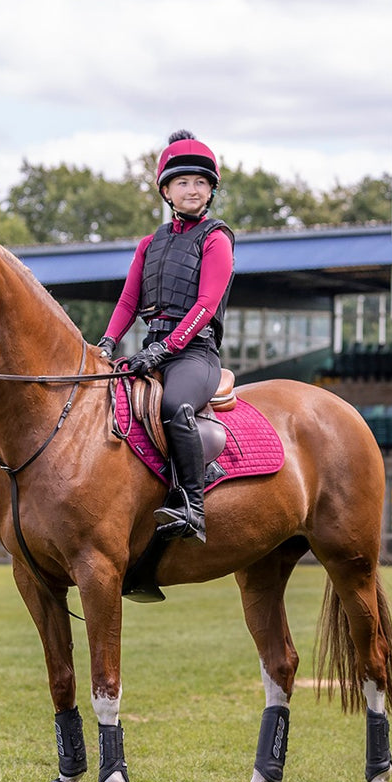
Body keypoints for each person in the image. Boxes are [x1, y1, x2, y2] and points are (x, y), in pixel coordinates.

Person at [98, 130, 235, 543]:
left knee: (175, 405)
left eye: (200, 183)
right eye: (182, 182)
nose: (192, 190)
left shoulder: (216, 239)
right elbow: (127, 301)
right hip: (151, 350)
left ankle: (192, 506)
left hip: (194, 354)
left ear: (210, 191)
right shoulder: (148, 244)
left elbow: (206, 306)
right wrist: (106, 343)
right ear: (166, 191)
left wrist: (164, 348)